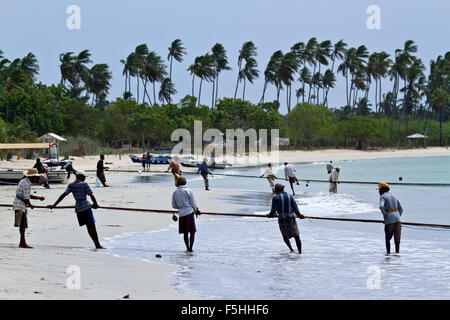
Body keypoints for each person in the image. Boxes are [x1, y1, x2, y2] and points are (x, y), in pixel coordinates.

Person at [49, 170, 104, 249]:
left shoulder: (71, 185)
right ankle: (97, 245)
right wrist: (96, 204)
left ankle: (97, 244)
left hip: (78, 209)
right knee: (92, 227)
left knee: (88, 227)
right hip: (86, 207)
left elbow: (64, 195)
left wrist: (54, 204)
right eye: (84, 177)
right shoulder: (84, 184)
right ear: (81, 177)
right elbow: (91, 195)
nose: (85, 178)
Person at [267, 183, 305, 253]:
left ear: (278, 189)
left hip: (282, 218)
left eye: (275, 188)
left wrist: (269, 215)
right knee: (296, 236)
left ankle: (291, 249)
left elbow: (273, 211)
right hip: (291, 218)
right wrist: (300, 216)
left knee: (285, 235)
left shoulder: (275, 197)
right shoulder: (289, 196)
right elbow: (296, 209)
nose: (274, 190)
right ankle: (300, 252)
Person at [13, 168, 45, 248]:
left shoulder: (24, 181)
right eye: (35, 177)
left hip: (18, 203)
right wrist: (31, 205)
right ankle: (22, 243)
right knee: (22, 225)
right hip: (20, 205)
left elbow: (27, 195)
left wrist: (38, 198)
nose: (36, 178)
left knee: (22, 224)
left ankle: (22, 242)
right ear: (32, 177)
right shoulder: (27, 184)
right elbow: (26, 199)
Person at [171, 176, 201, 252]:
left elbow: (174, 206)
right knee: (192, 231)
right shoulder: (188, 191)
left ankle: (187, 248)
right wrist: (196, 210)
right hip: (188, 212)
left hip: (181, 213)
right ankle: (191, 248)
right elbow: (193, 203)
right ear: (185, 182)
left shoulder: (175, 192)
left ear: (177, 183)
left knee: (185, 232)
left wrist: (180, 206)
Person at [377, 182, 403, 255]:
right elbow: (401, 209)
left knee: (388, 238)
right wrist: (397, 216)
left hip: (389, 219)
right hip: (398, 219)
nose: (379, 191)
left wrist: (385, 216)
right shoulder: (394, 196)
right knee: (397, 239)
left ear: (383, 189)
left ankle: (388, 254)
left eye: (379, 189)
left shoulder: (383, 197)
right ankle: (397, 254)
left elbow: (381, 206)